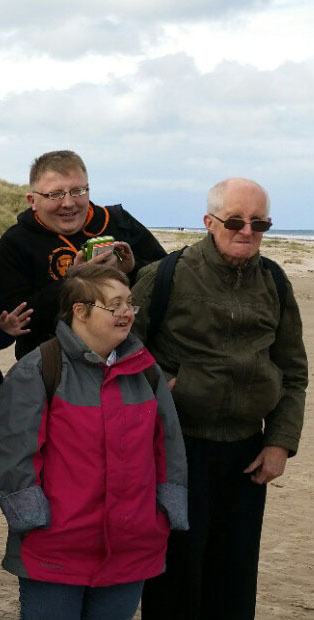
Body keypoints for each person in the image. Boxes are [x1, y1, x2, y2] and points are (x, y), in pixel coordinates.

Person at [134, 178, 308, 620]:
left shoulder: (275, 280)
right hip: (178, 448)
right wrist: (163, 385)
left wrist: (279, 443)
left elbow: (293, 370)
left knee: (234, 577)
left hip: (248, 452)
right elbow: (120, 353)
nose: (247, 230)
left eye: (260, 222)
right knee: (175, 577)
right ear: (209, 222)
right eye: (235, 220)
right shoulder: (166, 275)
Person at [0, 262, 188, 620]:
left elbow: (168, 445)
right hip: (57, 549)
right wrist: (34, 520)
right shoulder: (40, 369)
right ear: (80, 311)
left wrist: (161, 513)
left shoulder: (145, 369)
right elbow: (12, 452)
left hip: (132, 546)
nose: (127, 313)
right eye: (115, 305)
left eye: (130, 303)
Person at [0, 150, 166, 359]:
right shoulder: (16, 242)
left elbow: (163, 278)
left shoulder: (118, 222)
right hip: (51, 364)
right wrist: (74, 279)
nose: (68, 203)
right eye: (55, 194)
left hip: (126, 355)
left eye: (78, 191)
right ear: (32, 200)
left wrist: (131, 268)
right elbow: (20, 319)